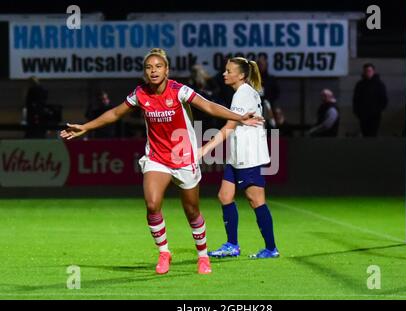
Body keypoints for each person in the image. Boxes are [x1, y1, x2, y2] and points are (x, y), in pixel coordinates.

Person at [60, 48, 263, 275]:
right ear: (145, 72)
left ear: (167, 70)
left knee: (192, 210)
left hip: (183, 158)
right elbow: (115, 113)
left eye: (158, 66)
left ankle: (202, 255)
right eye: (149, 67)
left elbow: (208, 106)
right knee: (152, 204)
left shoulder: (179, 91)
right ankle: (164, 252)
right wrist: (84, 127)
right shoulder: (140, 93)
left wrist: (239, 117)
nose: (153, 71)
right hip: (157, 158)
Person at [199, 57, 280, 259]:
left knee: (256, 200)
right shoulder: (243, 93)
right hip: (237, 156)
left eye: (228, 71)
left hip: (248, 156)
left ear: (241, 75)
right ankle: (232, 245)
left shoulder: (243, 94)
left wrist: (204, 149)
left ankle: (271, 248)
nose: (224, 74)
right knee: (225, 196)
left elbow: (228, 128)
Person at [352, 63, 388, 137]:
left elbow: (384, 99)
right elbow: (356, 99)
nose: (367, 73)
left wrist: (378, 110)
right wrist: (357, 112)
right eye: (366, 71)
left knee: (373, 134)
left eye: (369, 71)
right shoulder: (360, 85)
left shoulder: (379, 84)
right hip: (363, 115)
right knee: (365, 134)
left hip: (375, 115)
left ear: (373, 71)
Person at [257, 55, 279, 129]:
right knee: (260, 127)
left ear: (266, 65)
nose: (261, 66)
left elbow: (276, 93)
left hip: (269, 106)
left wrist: (269, 100)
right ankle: (262, 140)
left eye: (263, 64)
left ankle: (275, 141)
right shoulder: (253, 80)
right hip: (257, 108)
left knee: (273, 125)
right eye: (260, 64)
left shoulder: (271, 79)